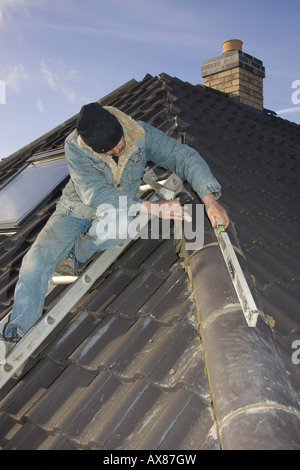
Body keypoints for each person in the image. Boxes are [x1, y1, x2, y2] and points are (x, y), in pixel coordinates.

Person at [0, 103, 229, 359]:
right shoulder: (75, 146)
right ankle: (15, 334)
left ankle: (76, 254)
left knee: (121, 226)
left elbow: (184, 156)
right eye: (111, 151)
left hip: (117, 211)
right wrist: (154, 208)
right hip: (74, 211)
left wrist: (209, 199)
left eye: (120, 144)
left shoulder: (139, 135)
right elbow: (95, 194)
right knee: (35, 261)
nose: (119, 150)